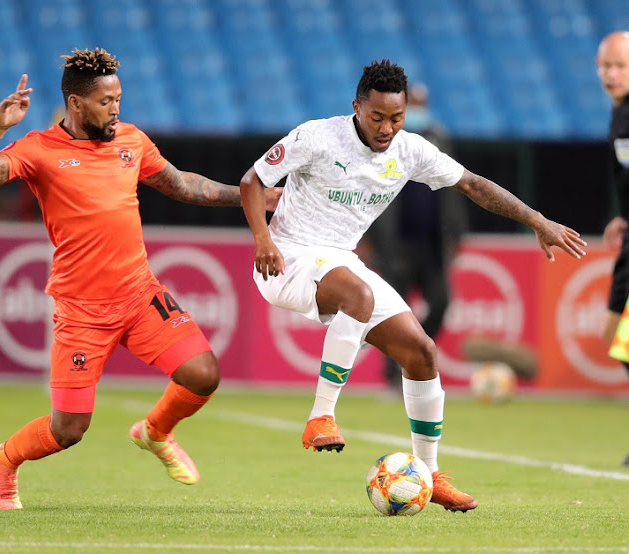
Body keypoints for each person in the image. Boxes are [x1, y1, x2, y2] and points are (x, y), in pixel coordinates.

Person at [239, 59, 586, 512]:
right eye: (377, 117)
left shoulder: (411, 149)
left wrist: (535, 219)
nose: (387, 128)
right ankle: (321, 415)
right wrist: (263, 240)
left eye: (396, 118)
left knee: (421, 352)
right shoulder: (317, 136)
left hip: (339, 261)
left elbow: (475, 186)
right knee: (359, 294)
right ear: (357, 107)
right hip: (287, 258)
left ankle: (429, 474)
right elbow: (252, 181)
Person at [0, 47, 280, 510]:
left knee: (202, 374)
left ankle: (155, 431)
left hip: (138, 293)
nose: (116, 109)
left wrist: (255, 198)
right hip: (82, 309)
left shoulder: (131, 140)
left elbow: (183, 185)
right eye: (106, 101)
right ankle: (3, 461)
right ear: (76, 104)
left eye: (118, 98)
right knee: (68, 430)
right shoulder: (39, 150)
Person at [362, 82, 467, 392]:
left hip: (432, 245)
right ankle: (394, 377)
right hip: (397, 245)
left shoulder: (439, 138)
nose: (419, 110)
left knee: (441, 302)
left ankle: (415, 356)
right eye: (414, 104)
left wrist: (456, 233)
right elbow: (366, 189)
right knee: (393, 313)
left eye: (423, 103)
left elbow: (455, 188)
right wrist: (369, 236)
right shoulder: (386, 141)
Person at [595, 30, 629, 466]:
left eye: (620, 65)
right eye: (605, 65)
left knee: (617, 335)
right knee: (616, 337)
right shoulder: (619, 114)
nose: (611, 74)